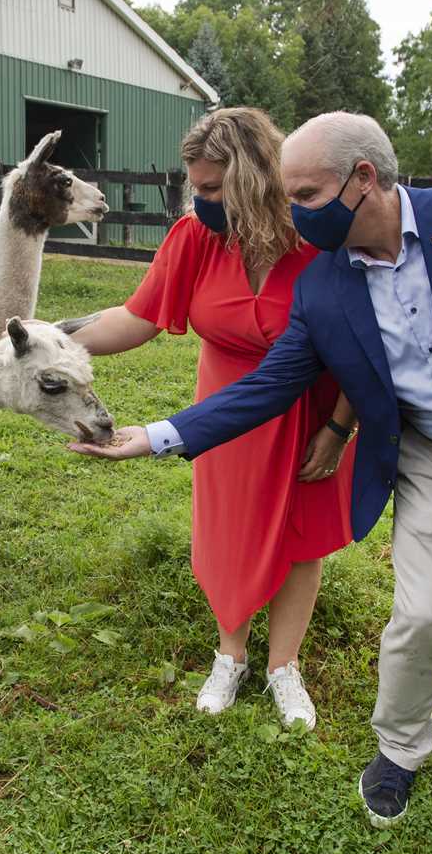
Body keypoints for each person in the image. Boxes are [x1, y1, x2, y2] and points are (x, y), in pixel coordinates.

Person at [72, 112, 432, 827]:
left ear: (363, 179)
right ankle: (398, 751)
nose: (296, 215)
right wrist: (156, 435)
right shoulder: (327, 283)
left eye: (305, 196)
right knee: (418, 614)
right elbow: (271, 383)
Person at [60, 107, 356, 729]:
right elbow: (137, 318)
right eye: (195, 187)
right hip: (225, 408)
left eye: (214, 189)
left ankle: (284, 665)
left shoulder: (317, 242)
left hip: (309, 407)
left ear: (253, 179)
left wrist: (336, 428)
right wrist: (60, 343)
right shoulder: (194, 238)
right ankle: (231, 654)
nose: (200, 201)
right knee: (227, 527)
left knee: (302, 537)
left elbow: (359, 344)